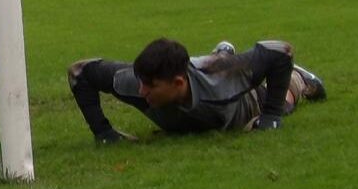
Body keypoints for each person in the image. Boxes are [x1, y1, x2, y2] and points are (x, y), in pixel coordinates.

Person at [67, 38, 327, 144]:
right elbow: (80, 72)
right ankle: (221, 52)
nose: (142, 90)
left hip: (246, 102)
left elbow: (280, 50)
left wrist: (271, 116)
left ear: (178, 84)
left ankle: (299, 78)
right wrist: (103, 132)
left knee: (284, 103)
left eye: (151, 85)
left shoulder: (224, 80)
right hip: (208, 71)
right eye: (141, 81)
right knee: (217, 64)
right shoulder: (133, 82)